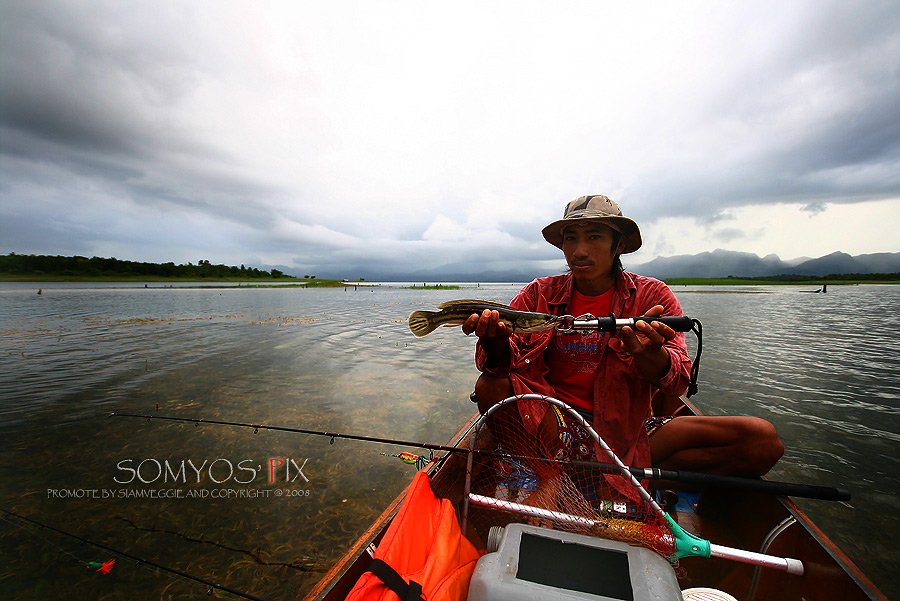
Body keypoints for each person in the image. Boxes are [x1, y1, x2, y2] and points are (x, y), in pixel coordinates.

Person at [463, 195, 783, 478]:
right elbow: (497, 368)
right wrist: (494, 341)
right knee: (490, 386)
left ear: (618, 245)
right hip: (553, 424)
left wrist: (650, 354)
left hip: (628, 430)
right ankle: (554, 478)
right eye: (570, 239)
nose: (580, 250)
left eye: (595, 237)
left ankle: (616, 477)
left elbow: (677, 384)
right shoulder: (538, 294)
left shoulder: (652, 296)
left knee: (761, 440)